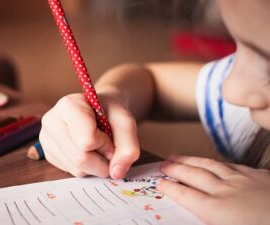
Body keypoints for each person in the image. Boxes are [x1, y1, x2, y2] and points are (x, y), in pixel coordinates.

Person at [40, 0, 270, 224]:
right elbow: (150, 82)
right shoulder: (247, 95)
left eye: (268, 65)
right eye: (237, 49)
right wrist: (112, 97)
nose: (230, 90)